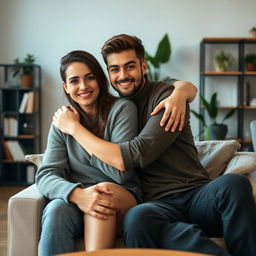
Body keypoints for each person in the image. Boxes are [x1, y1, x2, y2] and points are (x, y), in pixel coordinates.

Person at [54, 34, 256, 256]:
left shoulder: (166, 98)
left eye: (130, 66)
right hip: (158, 204)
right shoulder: (114, 110)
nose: (123, 76)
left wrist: (180, 92)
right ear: (108, 74)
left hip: (196, 194)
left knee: (234, 184)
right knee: (137, 219)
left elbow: (136, 154)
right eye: (115, 69)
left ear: (143, 66)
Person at [36, 50, 196, 256]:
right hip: (79, 198)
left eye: (89, 78)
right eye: (74, 81)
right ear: (66, 87)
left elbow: (120, 172)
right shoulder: (62, 122)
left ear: (100, 80)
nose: (83, 87)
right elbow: (46, 174)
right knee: (56, 209)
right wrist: (77, 195)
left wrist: (77, 131)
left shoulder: (121, 109)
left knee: (102, 194)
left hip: (121, 193)